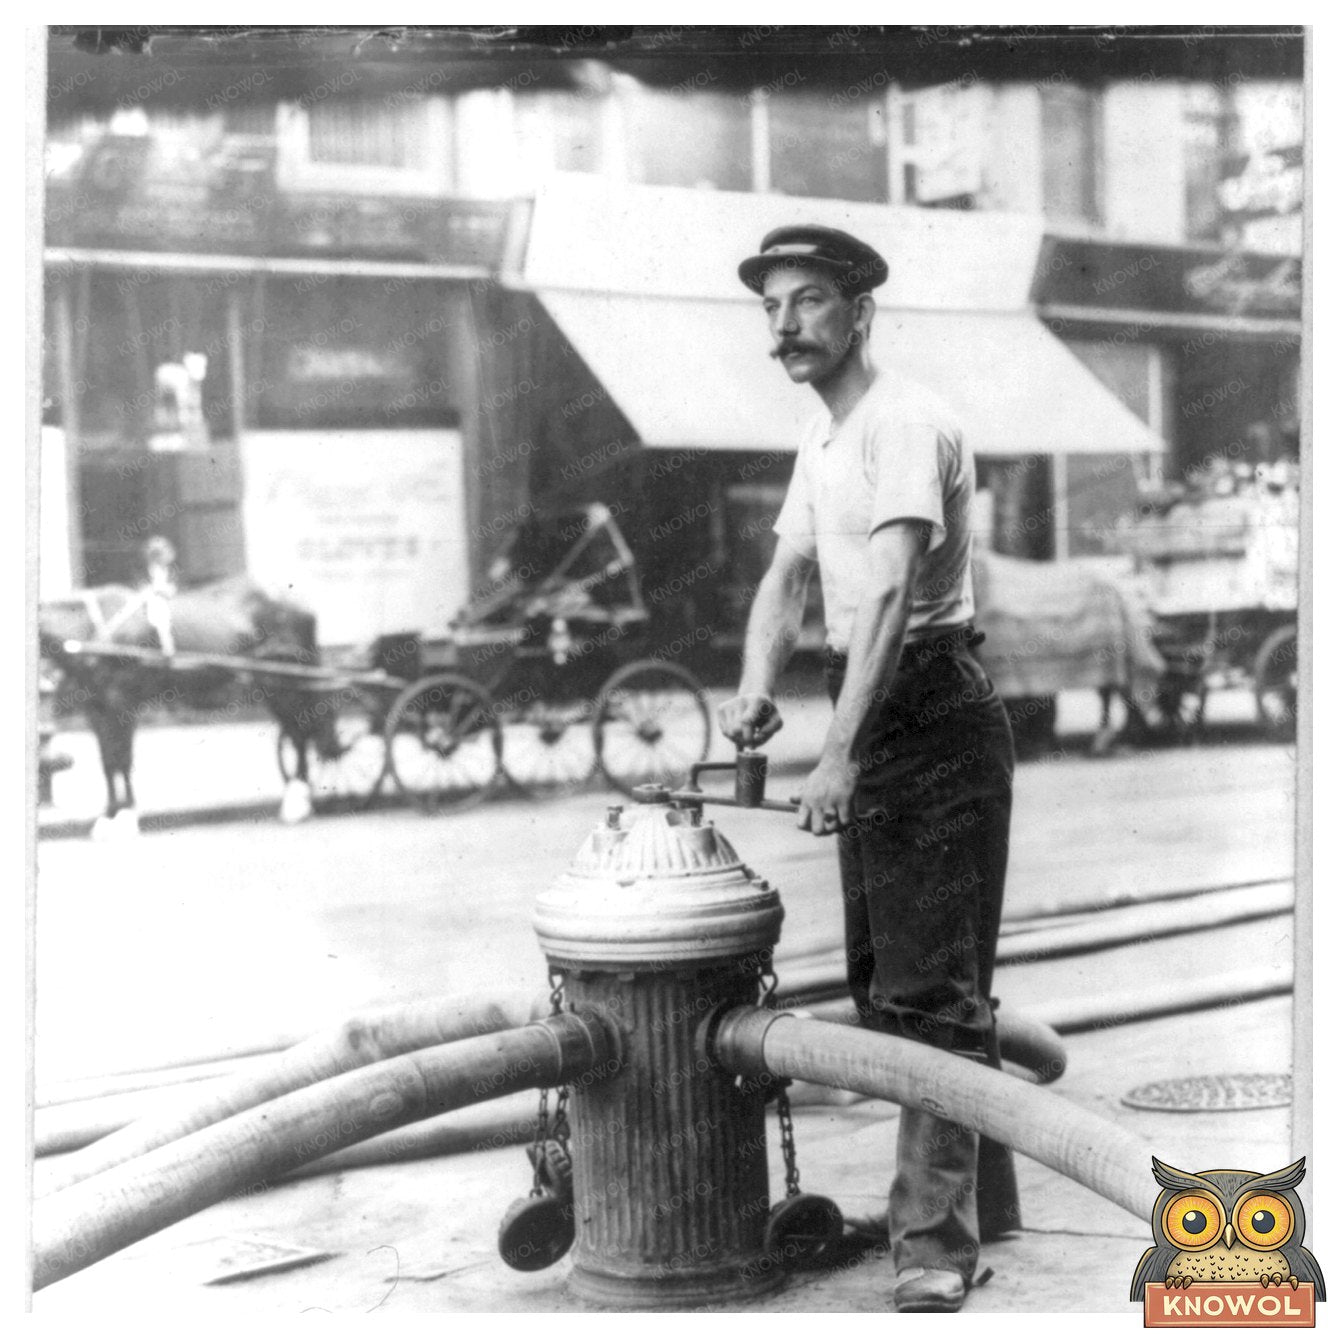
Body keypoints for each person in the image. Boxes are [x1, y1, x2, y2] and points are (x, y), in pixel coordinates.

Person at [718, 225, 1016, 1313]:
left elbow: (890, 594)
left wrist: (836, 753)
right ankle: (993, 1201)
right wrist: (757, 685)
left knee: (930, 993)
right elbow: (789, 573)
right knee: (891, 982)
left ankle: (935, 1241)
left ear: (860, 314)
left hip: (931, 707)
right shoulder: (825, 437)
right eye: (770, 307)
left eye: (805, 302)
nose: (784, 324)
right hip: (879, 699)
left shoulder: (905, 423)